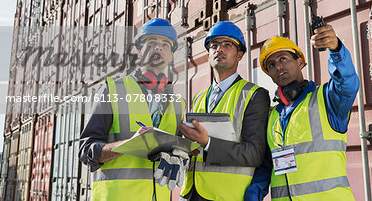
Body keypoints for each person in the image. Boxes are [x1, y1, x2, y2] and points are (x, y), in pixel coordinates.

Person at [245, 25, 359, 200]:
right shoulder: (272, 117)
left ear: (300, 62)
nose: (278, 66)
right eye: (272, 65)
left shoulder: (326, 100)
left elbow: (347, 83)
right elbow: (266, 166)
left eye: (283, 58)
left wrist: (336, 50)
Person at [79, 18, 187, 201]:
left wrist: (181, 156)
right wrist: (129, 145)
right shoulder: (112, 90)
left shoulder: (178, 103)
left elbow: (176, 152)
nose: (158, 48)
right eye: (151, 43)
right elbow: (86, 150)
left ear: (171, 55)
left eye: (165, 44)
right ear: (139, 51)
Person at [178, 21, 271, 201]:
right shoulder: (198, 97)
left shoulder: (254, 95)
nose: (219, 49)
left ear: (240, 55)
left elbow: (254, 154)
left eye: (227, 45)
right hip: (190, 192)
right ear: (208, 55)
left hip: (225, 196)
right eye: (214, 45)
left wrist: (208, 143)